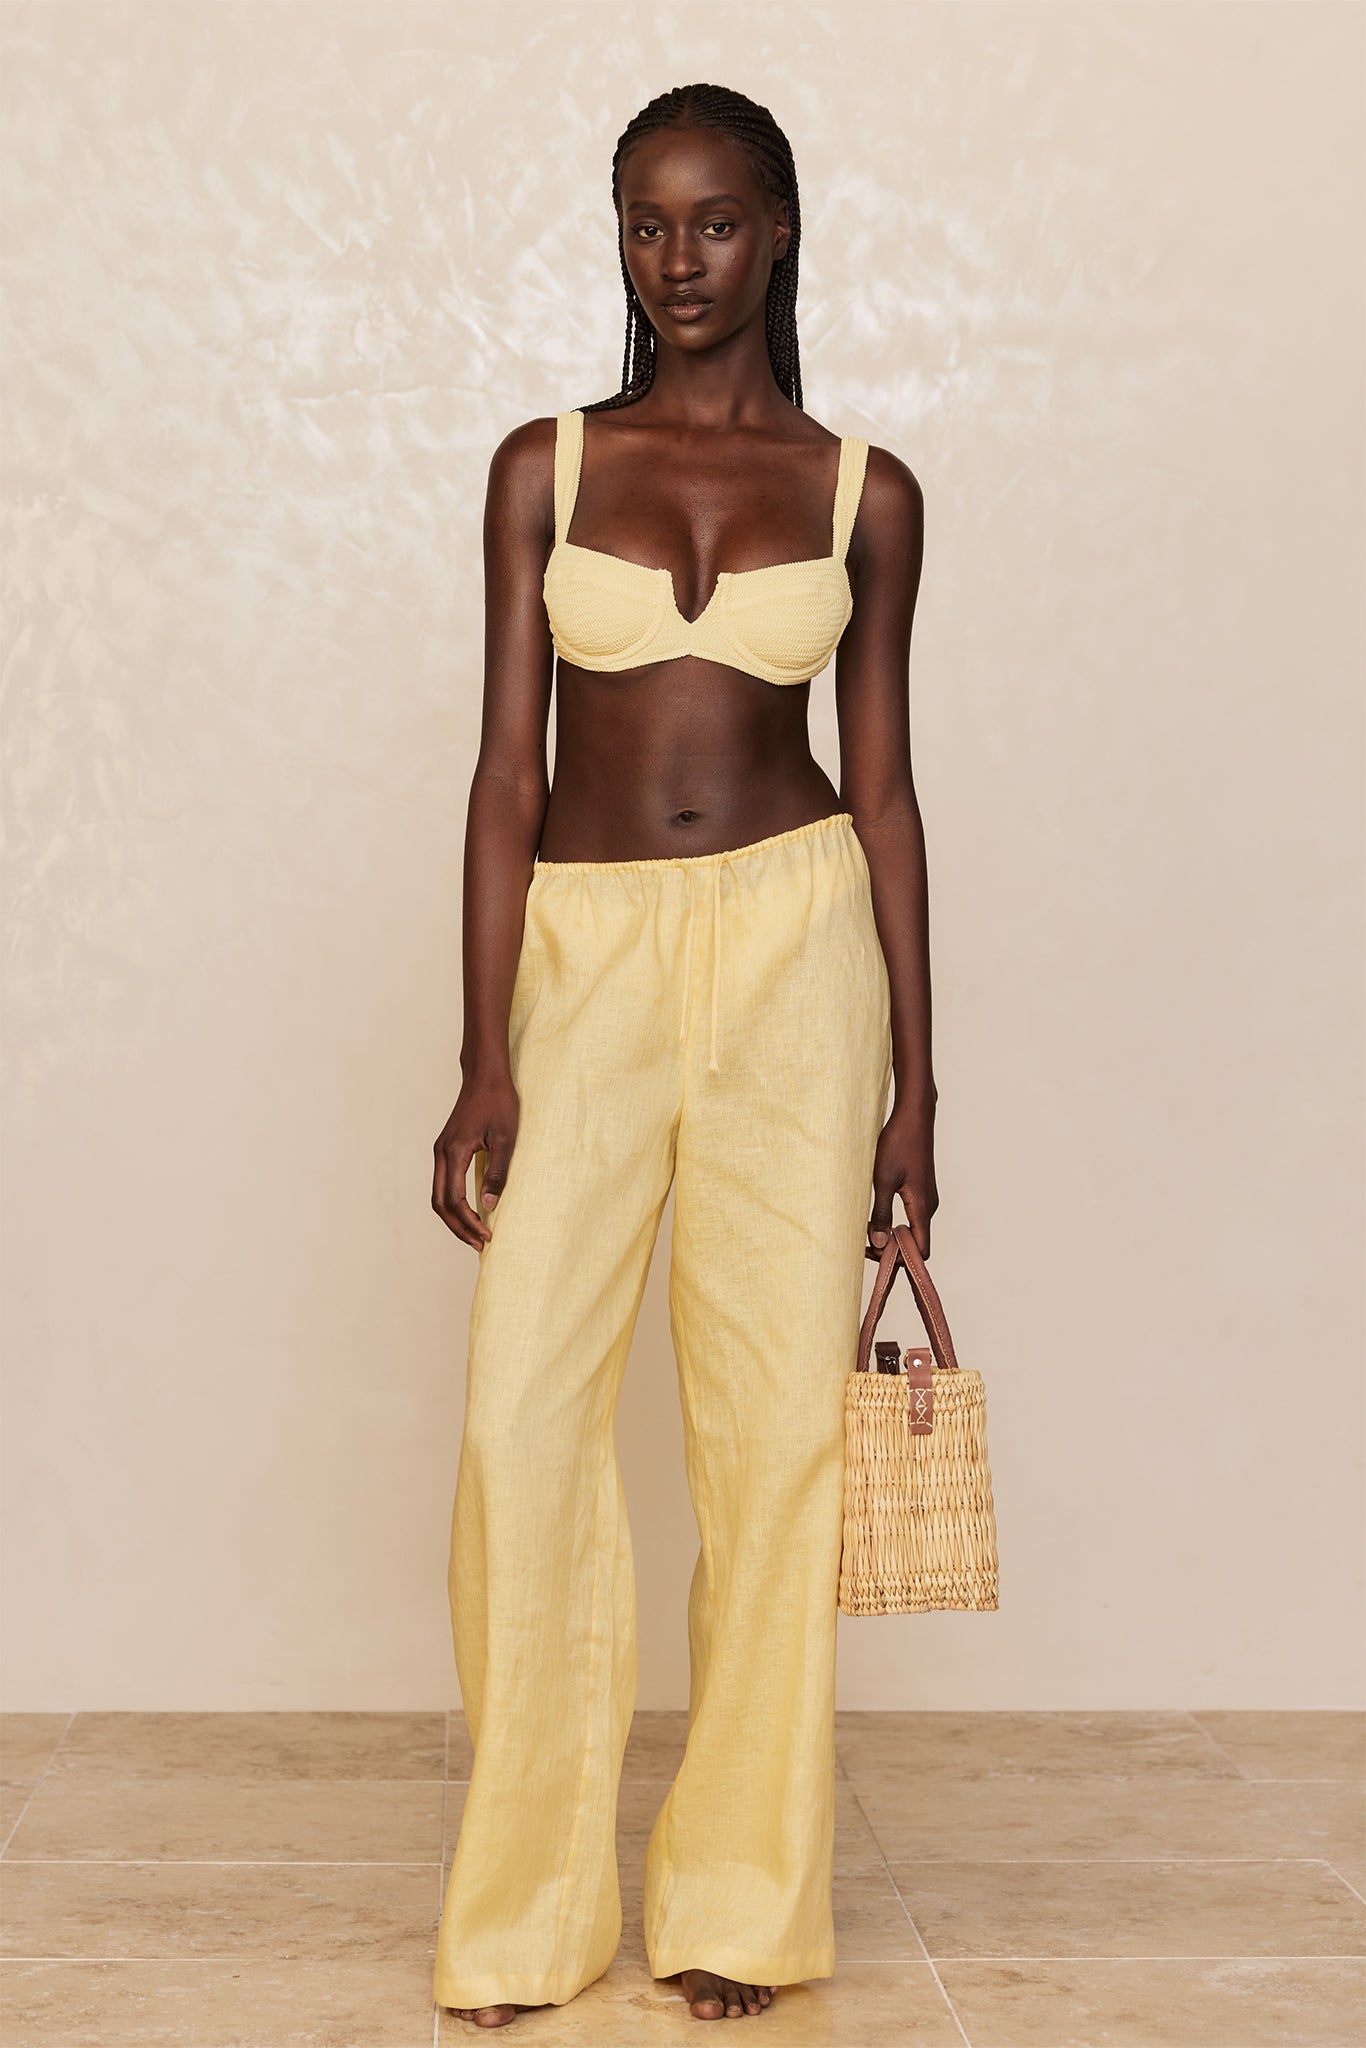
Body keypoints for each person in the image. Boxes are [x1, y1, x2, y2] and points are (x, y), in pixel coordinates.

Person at [430, 81, 936, 2029]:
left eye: (712, 223)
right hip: (582, 955)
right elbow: (500, 772)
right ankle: (524, 1907)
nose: (675, 261)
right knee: (519, 1426)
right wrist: (485, 1050)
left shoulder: (862, 489)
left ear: (779, 229)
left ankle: (734, 1895)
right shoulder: (541, 467)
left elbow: (884, 791)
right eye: (644, 224)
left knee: (771, 1431)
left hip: (800, 948)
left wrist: (919, 1088)